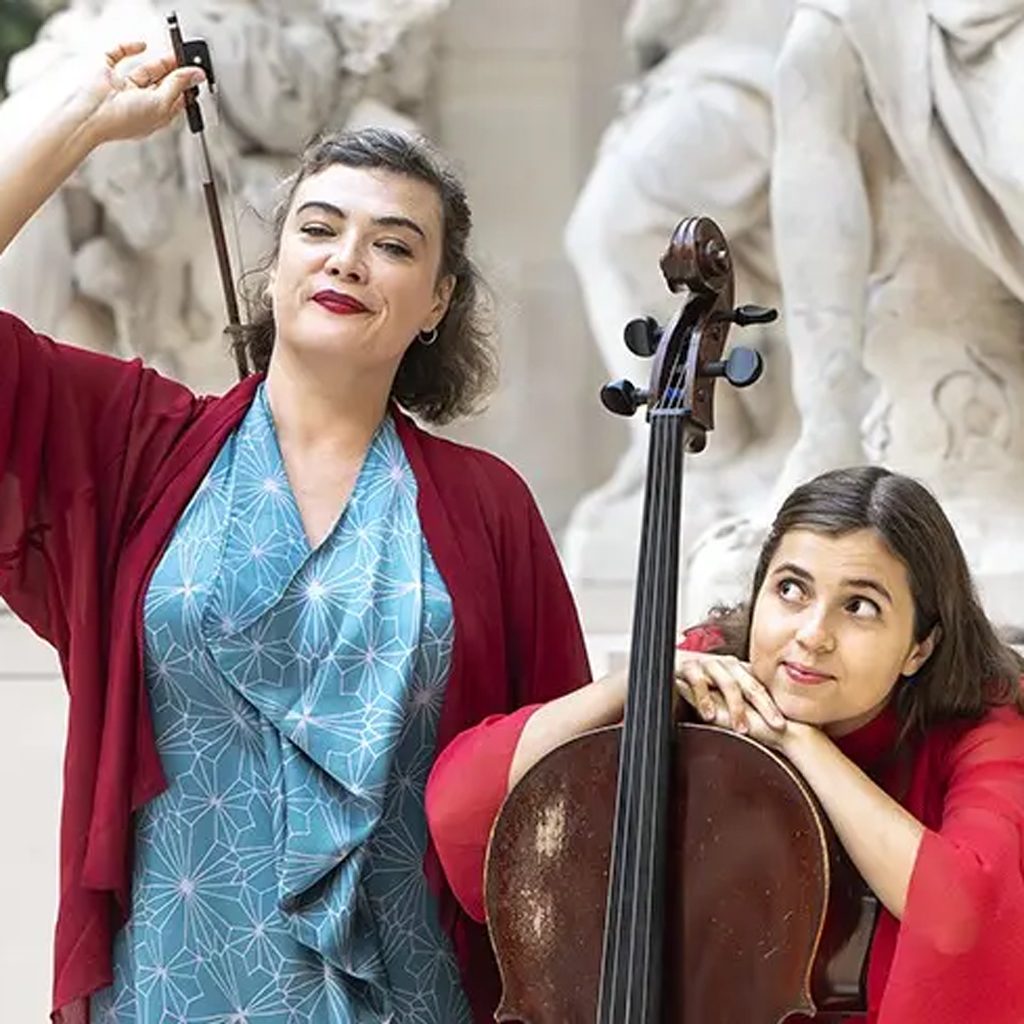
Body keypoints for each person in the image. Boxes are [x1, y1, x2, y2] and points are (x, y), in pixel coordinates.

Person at [0, 41, 594, 1024]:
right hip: (170, 992)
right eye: (319, 228)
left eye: (395, 244)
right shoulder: (138, 447)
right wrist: (84, 117)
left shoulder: (490, 508)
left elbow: (560, 802)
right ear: (275, 267)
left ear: (438, 302)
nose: (348, 258)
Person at [430, 465, 1024, 1024]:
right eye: (791, 590)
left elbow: (962, 917)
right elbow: (459, 809)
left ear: (919, 647)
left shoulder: (983, 724)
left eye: (859, 607)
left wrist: (798, 741)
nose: (812, 635)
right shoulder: (709, 666)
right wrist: (639, 681)